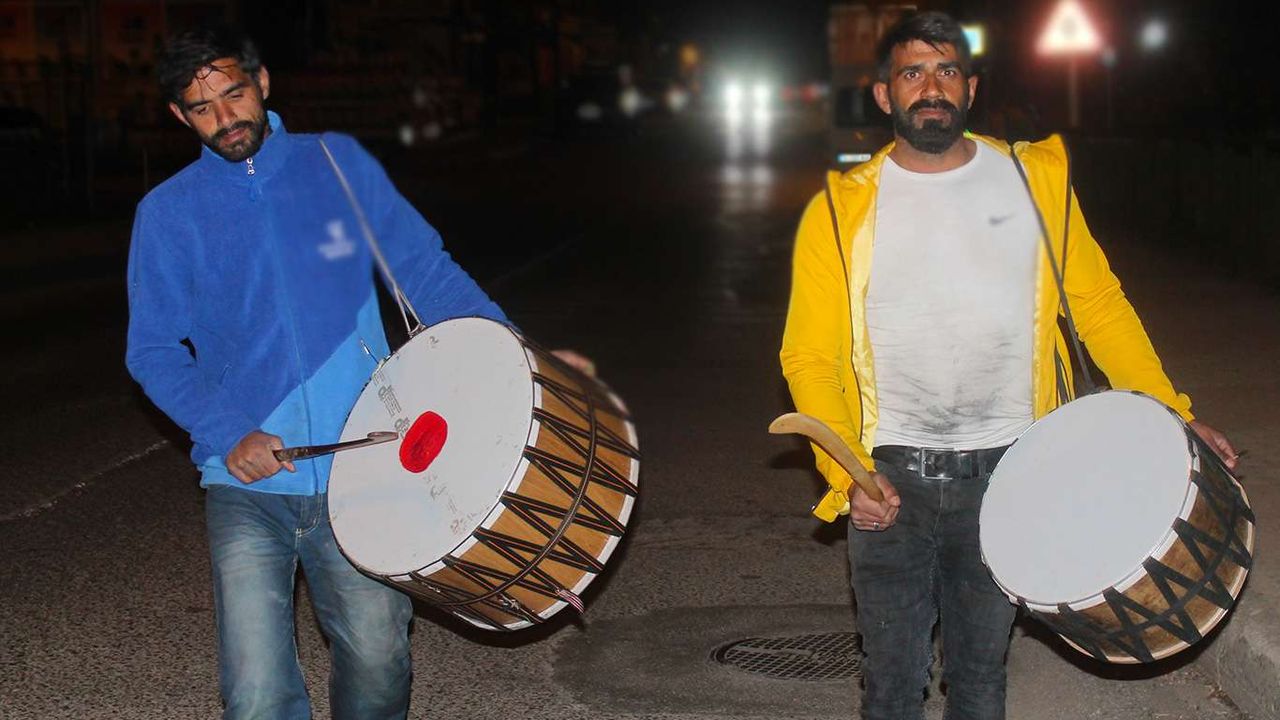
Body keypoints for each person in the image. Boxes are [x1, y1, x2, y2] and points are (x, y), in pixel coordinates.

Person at [778, 12, 1237, 720]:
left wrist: (1172, 413)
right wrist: (848, 476)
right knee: (892, 687)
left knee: (980, 679)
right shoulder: (838, 212)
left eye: (947, 70)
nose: (931, 87)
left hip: (1012, 475)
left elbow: (1099, 307)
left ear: (971, 88)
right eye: (912, 73)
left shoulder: (1033, 182)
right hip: (889, 477)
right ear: (884, 95)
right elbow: (810, 355)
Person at [126, 27, 589, 719]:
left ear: (262, 82)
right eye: (201, 108)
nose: (224, 118)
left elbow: (426, 273)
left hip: (367, 467)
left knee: (377, 658)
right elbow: (153, 349)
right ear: (178, 116)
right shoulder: (168, 213)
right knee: (255, 692)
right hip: (247, 482)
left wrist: (521, 357)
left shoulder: (336, 168)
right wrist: (228, 432)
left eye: (234, 94)